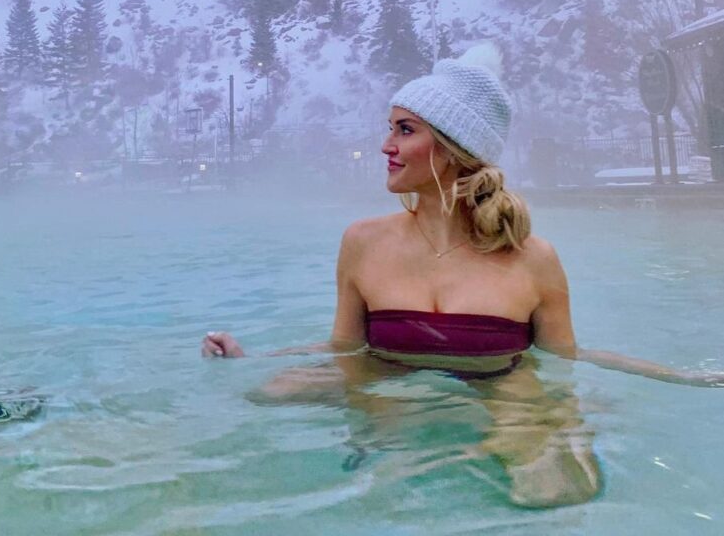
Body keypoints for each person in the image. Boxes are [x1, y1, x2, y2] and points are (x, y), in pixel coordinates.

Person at [201, 45, 722, 507]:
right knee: (265, 395)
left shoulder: (532, 258)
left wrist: (684, 377)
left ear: (453, 149)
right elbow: (344, 349)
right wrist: (253, 360)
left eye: (405, 130)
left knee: (558, 491)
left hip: (502, 384)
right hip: (387, 374)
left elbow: (565, 358)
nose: (386, 145)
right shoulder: (363, 241)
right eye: (391, 127)